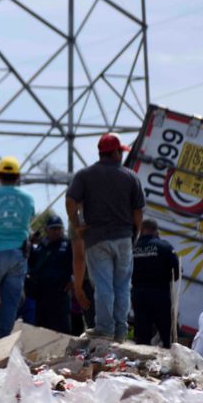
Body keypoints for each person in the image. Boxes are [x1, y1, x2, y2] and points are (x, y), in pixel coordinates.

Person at [66, 133, 144, 341]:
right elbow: (138, 212)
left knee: (103, 284)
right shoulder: (130, 177)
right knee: (122, 285)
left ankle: (104, 328)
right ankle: (120, 330)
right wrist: (134, 234)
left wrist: (77, 225)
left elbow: (71, 201)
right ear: (117, 152)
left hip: (97, 239)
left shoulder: (84, 175)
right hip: (124, 238)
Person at [0, 156, 35, 339]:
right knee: (11, 300)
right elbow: (29, 219)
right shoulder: (27, 198)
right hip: (18, 255)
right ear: (18, 176)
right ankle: (2, 341)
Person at [131, 219, 180, 348]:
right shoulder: (165, 247)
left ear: (141, 230)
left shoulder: (132, 248)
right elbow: (177, 273)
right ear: (156, 231)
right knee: (165, 335)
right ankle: (167, 363)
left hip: (138, 294)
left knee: (142, 335)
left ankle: (141, 363)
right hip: (160, 294)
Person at [26, 215, 74, 334]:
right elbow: (31, 263)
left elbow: (77, 263)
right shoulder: (41, 247)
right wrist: (30, 244)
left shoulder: (68, 245)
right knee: (42, 329)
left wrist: (74, 279)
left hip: (60, 293)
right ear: (47, 230)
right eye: (53, 229)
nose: (57, 231)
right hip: (42, 294)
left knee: (62, 328)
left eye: (59, 228)